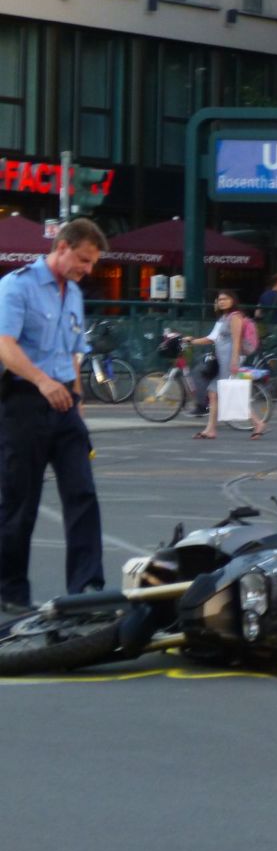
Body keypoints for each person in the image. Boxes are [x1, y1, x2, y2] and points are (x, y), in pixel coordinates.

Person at [0, 218, 108, 613]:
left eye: (92, 262)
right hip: (25, 403)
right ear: (61, 247)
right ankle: (10, 593)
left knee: (82, 494)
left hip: (65, 407)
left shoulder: (74, 293)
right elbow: (4, 346)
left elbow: (73, 351)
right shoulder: (17, 285)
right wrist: (43, 382)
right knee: (19, 500)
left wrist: (76, 398)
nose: (87, 269)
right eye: (83, 259)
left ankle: (86, 588)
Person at [186, 290, 266, 440]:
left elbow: (236, 340)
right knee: (213, 393)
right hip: (221, 358)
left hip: (229, 359)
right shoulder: (223, 318)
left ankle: (258, 423)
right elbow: (212, 338)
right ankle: (210, 429)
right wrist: (193, 341)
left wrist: (234, 360)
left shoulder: (235, 317)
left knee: (227, 393)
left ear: (233, 300)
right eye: (219, 299)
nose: (222, 301)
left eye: (225, 298)